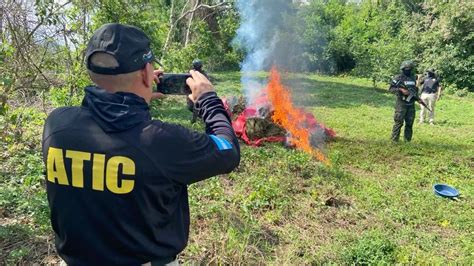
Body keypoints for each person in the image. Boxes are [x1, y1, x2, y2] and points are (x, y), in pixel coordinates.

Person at [42, 23, 240, 265]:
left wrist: (136, 98)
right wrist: (208, 100)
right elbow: (227, 150)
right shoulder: (161, 141)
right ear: (147, 73)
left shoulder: (57, 125)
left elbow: (108, 123)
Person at [388, 60, 421, 142]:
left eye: (409, 68)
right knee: (399, 122)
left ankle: (407, 141)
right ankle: (394, 140)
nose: (408, 70)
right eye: (406, 69)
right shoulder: (398, 78)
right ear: (402, 69)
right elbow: (391, 89)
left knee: (410, 123)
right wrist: (401, 90)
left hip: (411, 104)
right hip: (401, 103)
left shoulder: (413, 77)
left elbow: (414, 90)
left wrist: (417, 98)